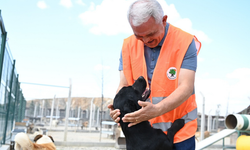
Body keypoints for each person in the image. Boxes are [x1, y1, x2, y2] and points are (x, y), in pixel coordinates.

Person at [108, 0, 201, 149]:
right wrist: (118, 112)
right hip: (143, 137)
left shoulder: (184, 42)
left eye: (150, 34)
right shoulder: (127, 45)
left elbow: (186, 86)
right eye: (139, 36)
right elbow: (123, 85)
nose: (145, 40)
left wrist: (156, 110)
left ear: (163, 20)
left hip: (180, 133)